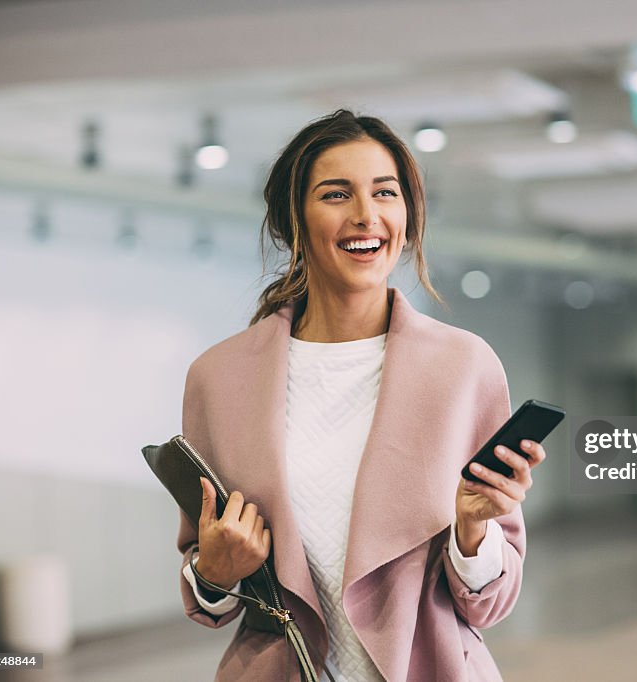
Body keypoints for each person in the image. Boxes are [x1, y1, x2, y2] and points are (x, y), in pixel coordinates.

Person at [174, 109, 546, 681]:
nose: (366, 216)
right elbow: (208, 591)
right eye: (336, 194)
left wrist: (473, 531)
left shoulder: (463, 368)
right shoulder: (219, 379)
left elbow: (489, 603)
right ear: (291, 219)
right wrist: (216, 573)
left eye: (385, 193)